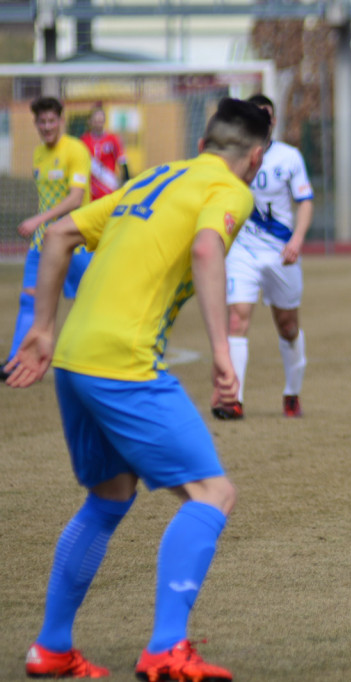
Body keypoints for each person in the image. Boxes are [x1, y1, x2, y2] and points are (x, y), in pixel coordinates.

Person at [4, 98, 270, 679]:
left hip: (74, 358)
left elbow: (60, 234)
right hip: (122, 363)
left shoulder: (156, 176)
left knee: (109, 497)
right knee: (213, 495)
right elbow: (206, 248)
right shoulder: (230, 189)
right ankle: (166, 649)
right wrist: (224, 353)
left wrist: (44, 330)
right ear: (255, 156)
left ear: (202, 143)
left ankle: (50, 648)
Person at [213, 93, 314, 420]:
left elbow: (305, 202)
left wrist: (297, 240)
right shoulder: (235, 158)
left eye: (268, 115)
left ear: (273, 120)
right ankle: (235, 399)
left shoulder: (289, 157)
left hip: (281, 254)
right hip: (242, 251)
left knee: (287, 326)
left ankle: (292, 393)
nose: (264, 121)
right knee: (238, 318)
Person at [2, 97, 92, 381]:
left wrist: (39, 219)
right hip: (42, 243)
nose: (47, 126)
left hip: (74, 239)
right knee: (30, 299)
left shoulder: (76, 150)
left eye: (52, 120)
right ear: (36, 124)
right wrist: (42, 225)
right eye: (42, 121)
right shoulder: (39, 154)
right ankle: (19, 361)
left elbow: (76, 197)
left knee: (90, 300)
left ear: (61, 121)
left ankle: (94, 359)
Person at [80, 103, 130, 199]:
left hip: (108, 187)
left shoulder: (113, 139)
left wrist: (126, 180)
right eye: (96, 121)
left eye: (101, 120)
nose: (98, 123)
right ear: (90, 122)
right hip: (90, 191)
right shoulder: (84, 140)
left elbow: (122, 160)